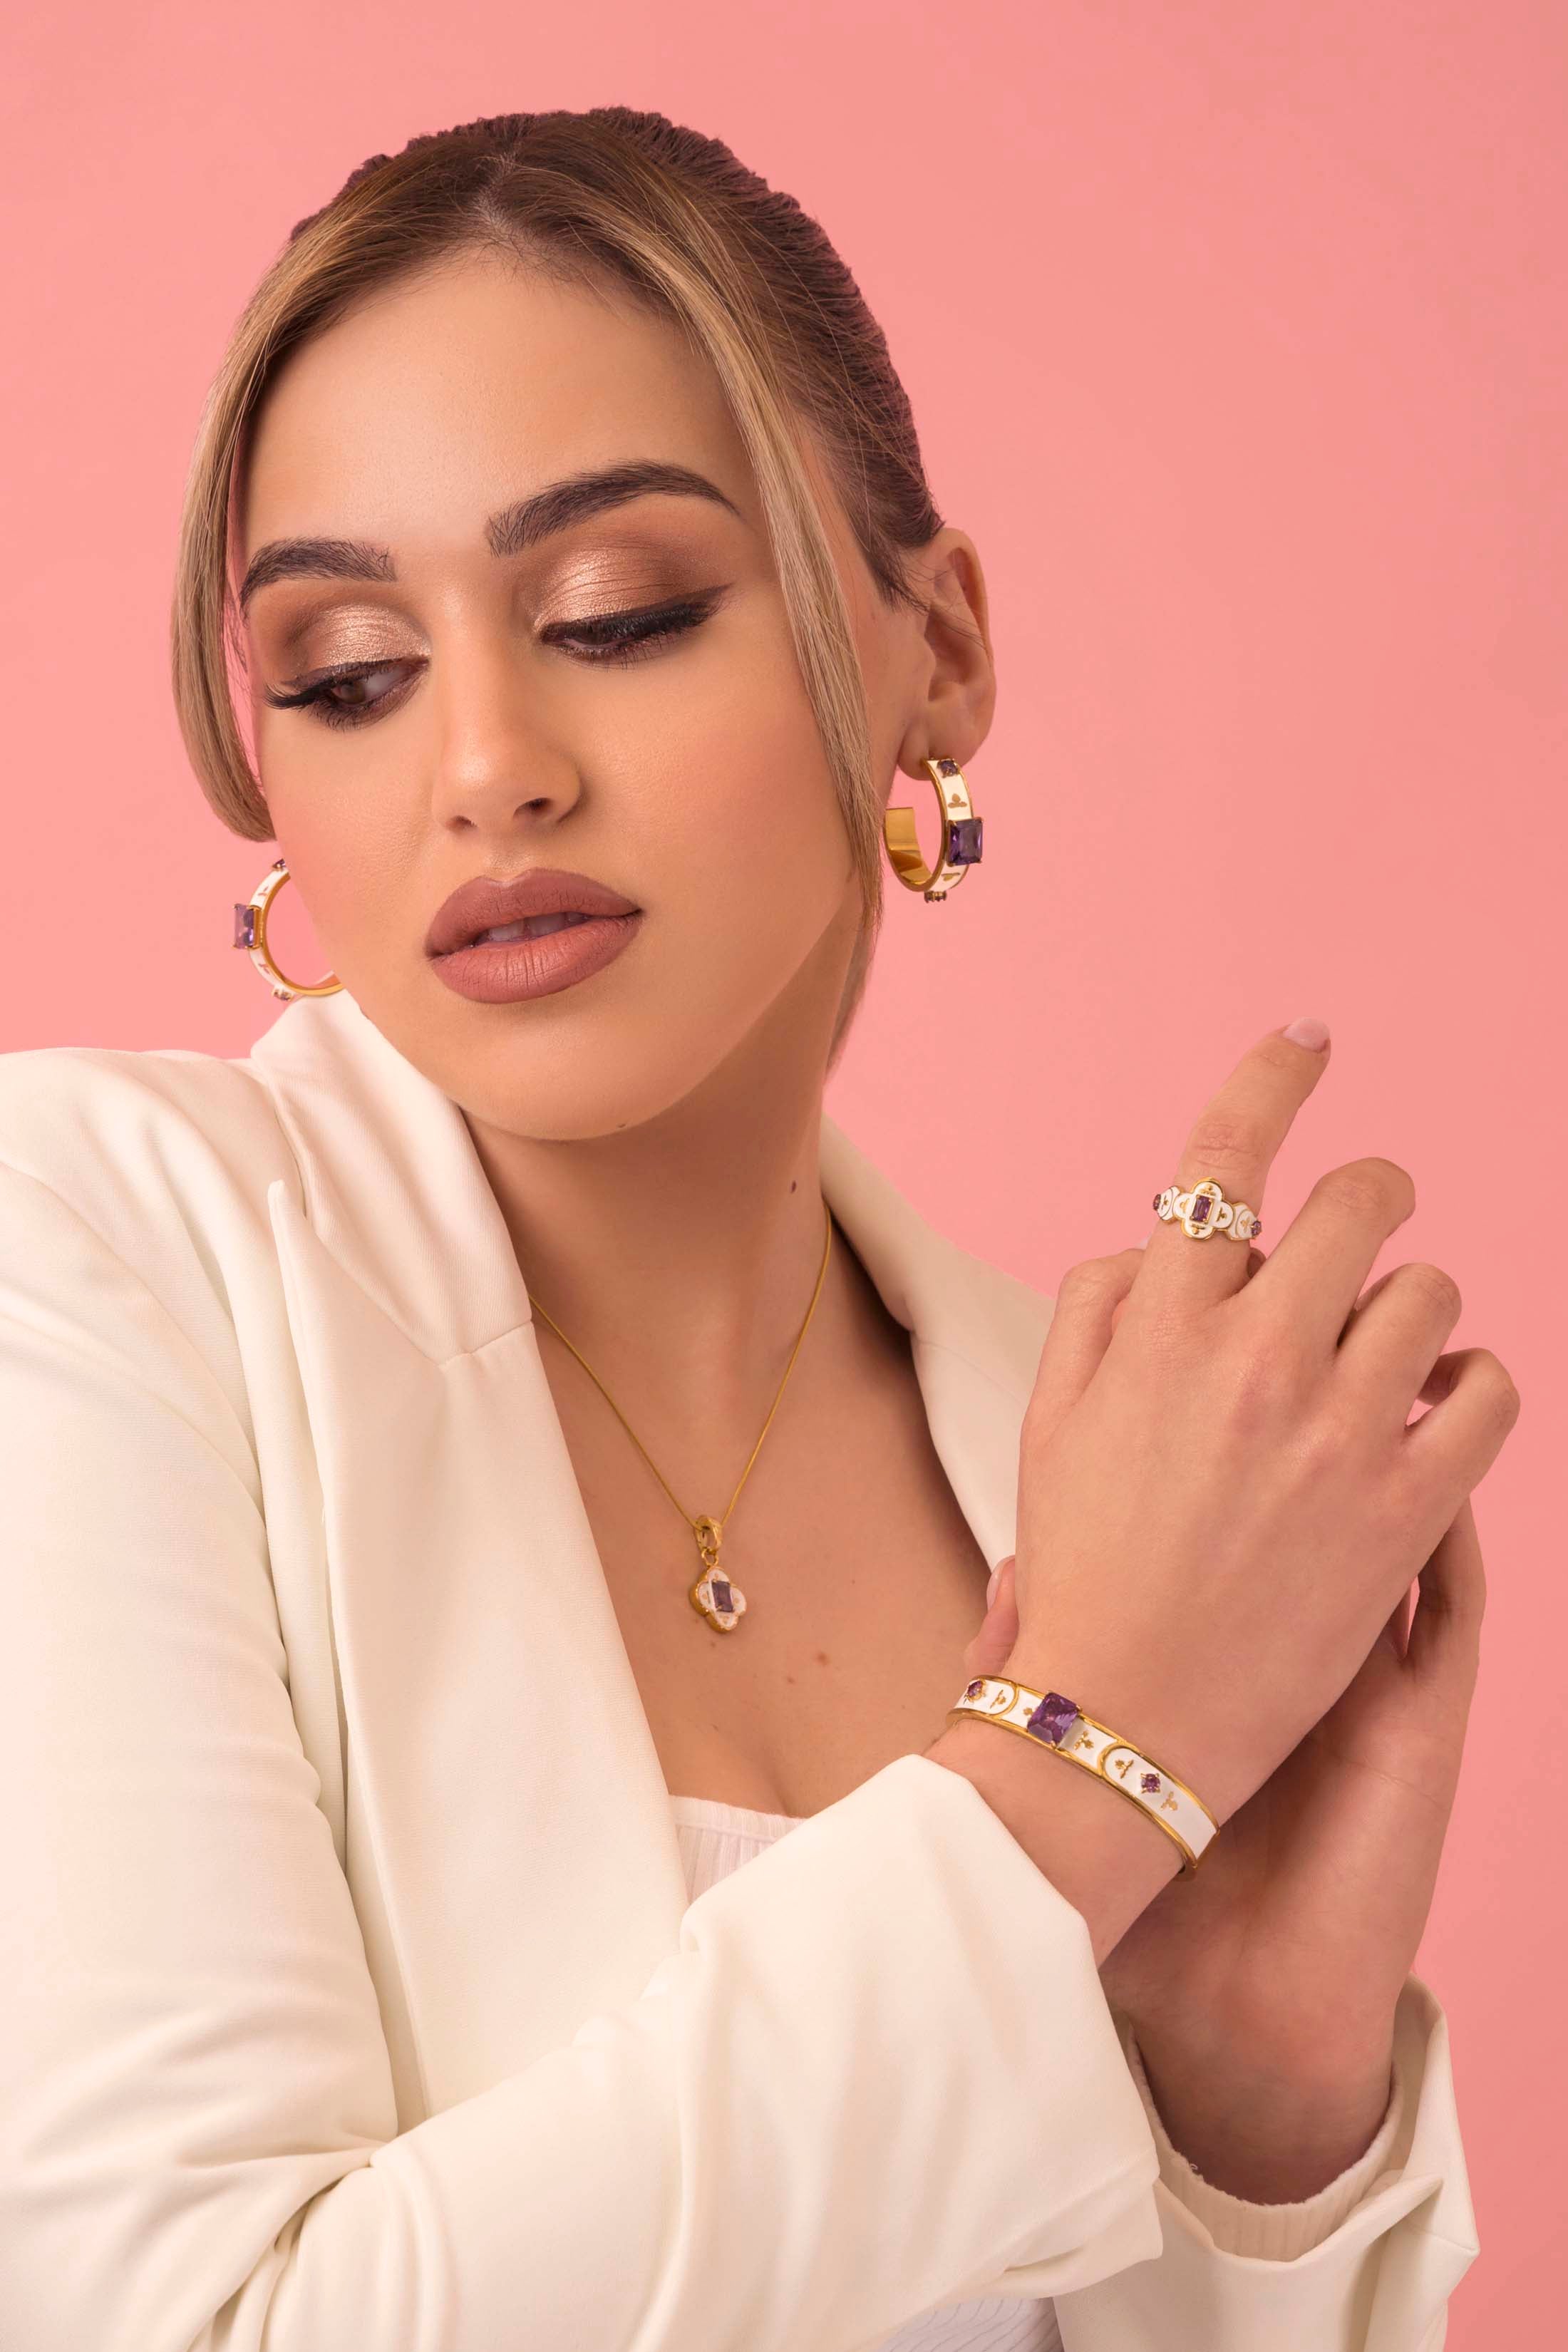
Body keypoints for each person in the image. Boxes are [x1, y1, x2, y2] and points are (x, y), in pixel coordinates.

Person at [0, 107, 1516, 2352]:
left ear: (938, 647)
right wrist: (1070, 1780)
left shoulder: (1095, 1473)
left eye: (615, 614)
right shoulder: (94, 1261)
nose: (484, 764)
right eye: (346, 670)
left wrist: (1268, 2123)